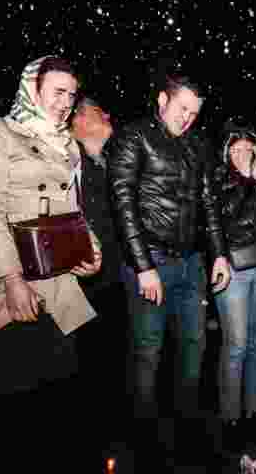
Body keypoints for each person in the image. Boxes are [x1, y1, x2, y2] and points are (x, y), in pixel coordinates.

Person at [0, 56, 102, 470]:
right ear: (32, 89)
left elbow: (73, 207)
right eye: (57, 92)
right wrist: (11, 278)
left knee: (59, 410)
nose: (66, 102)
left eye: (71, 94)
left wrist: (91, 249)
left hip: (59, 284)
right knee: (15, 415)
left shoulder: (68, 143)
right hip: (11, 285)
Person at [106, 74, 230, 464]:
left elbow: (209, 203)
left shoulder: (197, 145)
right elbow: (122, 201)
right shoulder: (133, 136)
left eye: (195, 113)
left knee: (194, 346)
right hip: (151, 262)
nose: (188, 119)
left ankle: (187, 429)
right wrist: (143, 266)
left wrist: (220, 254)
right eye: (182, 110)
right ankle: (143, 439)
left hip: (192, 263)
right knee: (148, 350)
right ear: (162, 100)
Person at [213, 123, 256, 453]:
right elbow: (229, 216)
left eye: (247, 149)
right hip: (235, 270)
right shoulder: (219, 179)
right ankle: (231, 418)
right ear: (226, 152)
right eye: (235, 150)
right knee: (236, 345)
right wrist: (245, 180)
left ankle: (253, 412)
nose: (241, 155)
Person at [69, 94, 131, 456]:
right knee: (86, 369)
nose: (108, 113)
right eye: (98, 110)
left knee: (111, 362)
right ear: (77, 121)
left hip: (112, 280)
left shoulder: (108, 161)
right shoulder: (68, 161)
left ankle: (111, 441)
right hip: (79, 283)